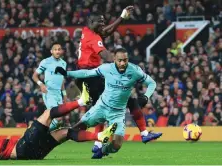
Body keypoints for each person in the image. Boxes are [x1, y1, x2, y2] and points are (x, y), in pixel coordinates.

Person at [75, 7, 161, 157]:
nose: (102, 25)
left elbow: (106, 32)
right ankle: (141, 134)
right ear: (91, 22)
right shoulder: (93, 38)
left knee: (112, 104)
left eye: (103, 22)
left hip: (88, 76)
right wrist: (122, 64)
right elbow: (107, 55)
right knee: (124, 102)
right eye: (100, 23)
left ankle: (98, 143)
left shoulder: (88, 30)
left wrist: (122, 17)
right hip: (91, 77)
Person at [55, 48, 162, 159]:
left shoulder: (134, 71)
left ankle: (102, 150)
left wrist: (145, 96)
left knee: (116, 146)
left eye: (125, 60)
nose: (122, 63)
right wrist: (67, 73)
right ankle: (60, 140)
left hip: (118, 113)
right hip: (101, 107)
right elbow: (87, 73)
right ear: (114, 59)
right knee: (75, 130)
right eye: (120, 60)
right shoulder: (106, 68)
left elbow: (152, 83)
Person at [0, 90, 118, 160]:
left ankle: (99, 136)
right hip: (23, 147)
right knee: (48, 113)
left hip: (33, 153)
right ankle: (81, 101)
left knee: (65, 132)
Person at [32, 42, 67, 131]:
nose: (57, 51)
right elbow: (34, 76)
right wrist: (41, 84)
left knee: (58, 119)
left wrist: (65, 94)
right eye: (55, 50)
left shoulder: (63, 63)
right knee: (57, 117)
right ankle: (41, 134)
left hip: (58, 93)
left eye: (59, 49)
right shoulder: (46, 62)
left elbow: (62, 80)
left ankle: (41, 132)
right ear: (51, 51)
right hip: (49, 92)